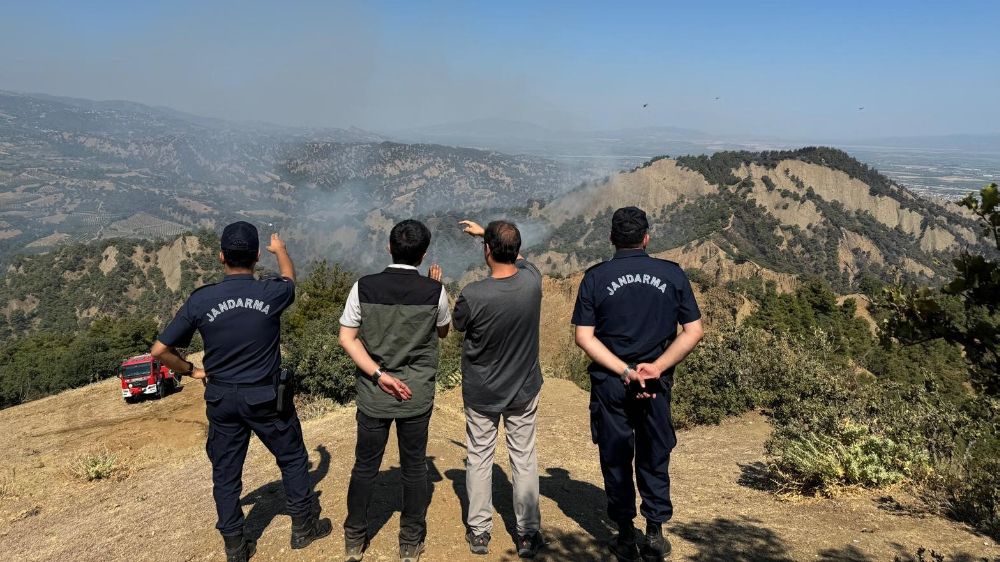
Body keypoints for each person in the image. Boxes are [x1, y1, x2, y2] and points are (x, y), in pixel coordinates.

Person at [151, 221, 331, 562]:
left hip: (222, 399)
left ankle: (235, 546)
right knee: (292, 459)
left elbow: (159, 351)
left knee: (226, 472)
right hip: (265, 397)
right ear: (256, 256)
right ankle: (303, 529)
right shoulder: (271, 293)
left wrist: (192, 370)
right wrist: (282, 252)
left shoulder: (202, 300)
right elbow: (290, 279)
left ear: (221, 257)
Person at [572, 207, 704, 562]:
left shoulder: (596, 278)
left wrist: (625, 371)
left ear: (612, 239)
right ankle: (655, 534)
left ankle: (625, 535)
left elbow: (584, 338)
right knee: (654, 452)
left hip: (613, 384)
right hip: (656, 385)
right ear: (646, 238)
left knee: (616, 456)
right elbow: (694, 331)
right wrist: (655, 368)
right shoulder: (672, 274)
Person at [338, 219, 450, 562]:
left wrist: (378, 374)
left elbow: (347, 338)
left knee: (365, 466)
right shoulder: (436, 291)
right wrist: (435, 288)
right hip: (415, 395)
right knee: (415, 467)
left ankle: (355, 539)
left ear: (389, 247)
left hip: (375, 395)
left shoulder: (363, 287)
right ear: (423, 254)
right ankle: (410, 542)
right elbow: (444, 332)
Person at [452, 219, 545, 559]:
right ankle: (527, 534)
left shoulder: (473, 295)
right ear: (516, 250)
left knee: (479, 456)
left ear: (487, 252)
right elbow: (522, 260)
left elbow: (457, 325)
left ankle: (479, 532)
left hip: (482, 391)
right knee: (523, 458)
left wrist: (485, 238)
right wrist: (491, 237)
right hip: (523, 388)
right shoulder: (533, 283)